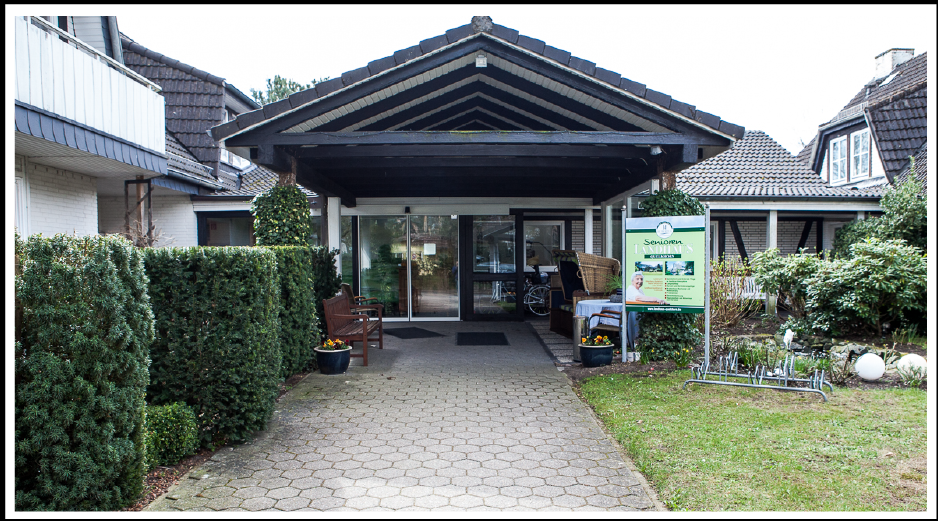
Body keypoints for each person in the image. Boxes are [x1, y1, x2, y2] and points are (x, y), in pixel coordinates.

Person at [624, 271, 667, 350]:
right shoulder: (631, 289)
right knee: (636, 333)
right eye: (637, 279)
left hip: (639, 314)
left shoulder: (640, 290)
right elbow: (639, 298)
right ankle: (635, 350)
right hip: (633, 314)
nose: (640, 281)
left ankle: (641, 349)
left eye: (641, 279)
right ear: (632, 281)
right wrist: (656, 299)